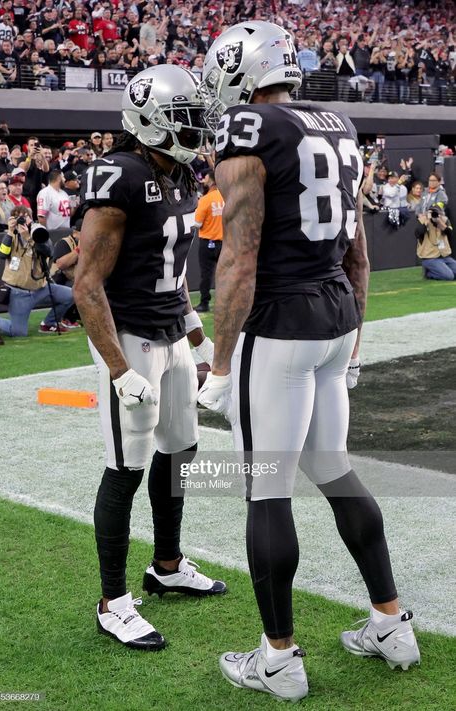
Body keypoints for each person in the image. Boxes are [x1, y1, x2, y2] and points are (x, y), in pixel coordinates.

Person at [198, 20, 420, 703]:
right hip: (332, 317)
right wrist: (353, 339)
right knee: (332, 466)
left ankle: (278, 657)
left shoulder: (249, 129)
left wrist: (220, 365)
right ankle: (390, 620)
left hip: (282, 322)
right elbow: (356, 248)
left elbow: (238, 257)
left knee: (266, 484)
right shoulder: (338, 122)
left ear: (243, 70)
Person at [73, 64, 226, 652]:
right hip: (130, 337)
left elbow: (173, 275)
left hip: (168, 332)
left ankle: (166, 564)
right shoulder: (121, 177)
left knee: (181, 449)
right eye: (186, 118)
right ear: (152, 121)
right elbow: (88, 285)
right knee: (126, 465)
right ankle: (112, 601)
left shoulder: (182, 175)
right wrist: (118, 370)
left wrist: (196, 335)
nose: (195, 129)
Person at [0, 205, 74, 335]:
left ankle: (48, 324)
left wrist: (28, 237)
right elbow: (2, 254)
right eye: (18, 217)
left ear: (31, 218)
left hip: (41, 288)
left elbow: (49, 251)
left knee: (71, 295)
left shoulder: (39, 233)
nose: (23, 220)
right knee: (18, 332)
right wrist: (10, 231)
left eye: (25, 216)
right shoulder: (11, 236)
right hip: (19, 293)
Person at [194, 169, 224, 312]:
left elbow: (197, 224)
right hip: (224, 242)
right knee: (225, 275)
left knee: (206, 275)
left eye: (205, 178)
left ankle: (204, 303)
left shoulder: (205, 200)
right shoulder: (225, 197)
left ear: (211, 180)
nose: (203, 181)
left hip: (207, 242)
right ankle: (225, 303)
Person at [416, 206, 455, 280]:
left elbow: (450, 234)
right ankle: (429, 273)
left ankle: (440, 270)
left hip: (445, 256)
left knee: (451, 274)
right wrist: (426, 220)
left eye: (436, 213)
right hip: (430, 258)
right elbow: (418, 233)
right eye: (433, 213)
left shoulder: (444, 220)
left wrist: (439, 222)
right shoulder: (423, 219)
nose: (434, 215)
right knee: (449, 276)